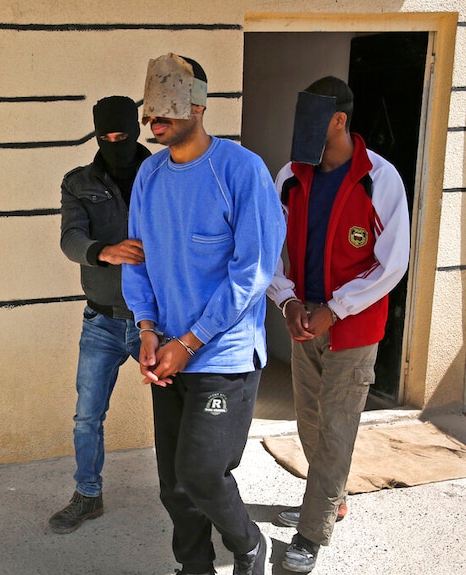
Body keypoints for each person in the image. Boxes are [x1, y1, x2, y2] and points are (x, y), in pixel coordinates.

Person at [122, 53, 284, 575]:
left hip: (224, 355)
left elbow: (253, 272)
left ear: (197, 103)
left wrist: (189, 341)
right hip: (167, 350)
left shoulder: (240, 170)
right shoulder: (149, 175)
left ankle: (249, 545)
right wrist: (147, 330)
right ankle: (194, 568)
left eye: (165, 107)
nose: (154, 121)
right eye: (150, 111)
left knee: (202, 472)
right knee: (173, 483)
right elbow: (138, 259)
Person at [267, 76, 410, 573]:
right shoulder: (289, 175)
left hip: (352, 327)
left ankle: (312, 530)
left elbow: (392, 262)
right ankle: (330, 498)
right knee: (308, 421)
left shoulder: (380, 179)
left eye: (312, 119)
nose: (300, 129)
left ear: (339, 120)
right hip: (304, 321)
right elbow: (269, 250)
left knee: (336, 427)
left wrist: (336, 308)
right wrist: (286, 302)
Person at [50, 95, 152, 534]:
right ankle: (88, 495)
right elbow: (70, 239)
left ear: (136, 131)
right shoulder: (78, 182)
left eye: (122, 136)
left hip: (157, 323)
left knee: (182, 413)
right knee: (87, 416)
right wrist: (105, 252)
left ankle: (192, 494)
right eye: (105, 137)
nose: (114, 143)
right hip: (102, 322)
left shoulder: (164, 173)